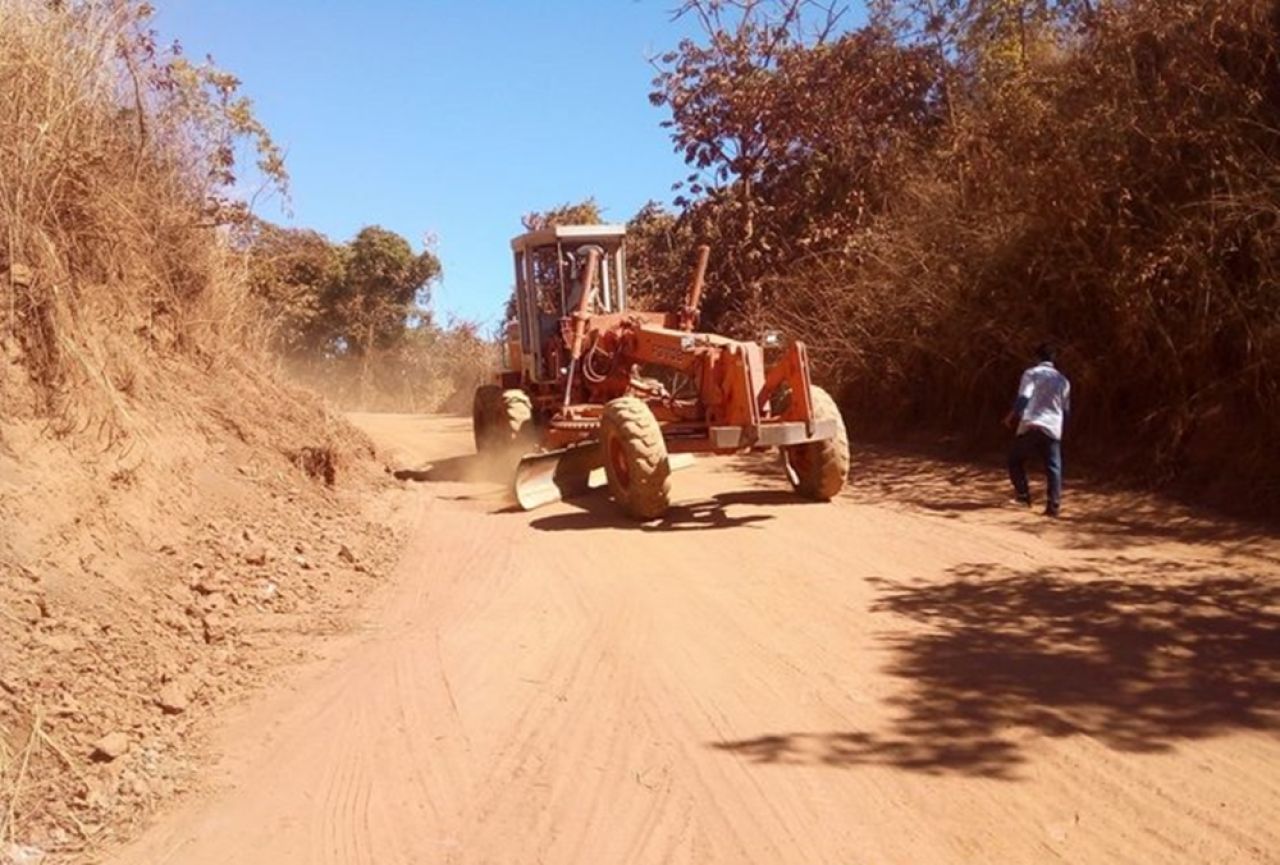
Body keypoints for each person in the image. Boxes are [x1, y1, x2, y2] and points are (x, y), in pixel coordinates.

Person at [1004, 342, 1071, 517]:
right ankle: (1053, 506)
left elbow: (1024, 397)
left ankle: (1023, 495)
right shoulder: (1063, 380)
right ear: (1054, 358)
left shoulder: (1032, 374)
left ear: (1036, 357)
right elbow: (1066, 409)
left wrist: (1012, 416)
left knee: (1015, 460)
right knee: (1053, 467)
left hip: (1032, 424)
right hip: (1053, 427)